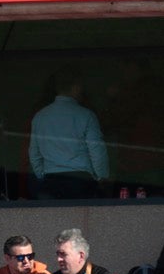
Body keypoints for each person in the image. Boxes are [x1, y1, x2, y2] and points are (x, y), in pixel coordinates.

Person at [29, 68, 107, 199]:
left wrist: (41, 174)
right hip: (81, 180)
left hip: (51, 180)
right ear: (76, 88)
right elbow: (97, 149)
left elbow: (34, 153)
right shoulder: (86, 115)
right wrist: (101, 176)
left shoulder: (40, 116)